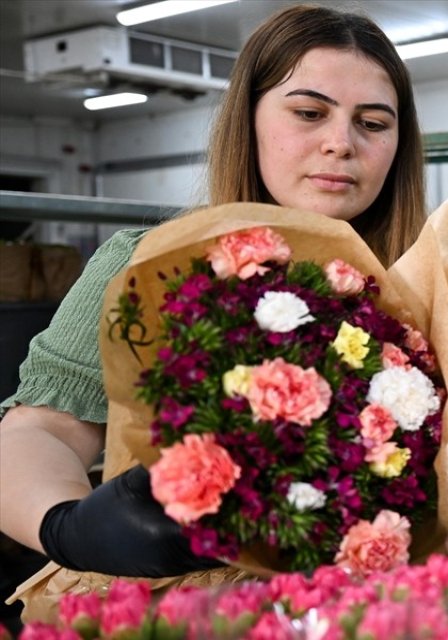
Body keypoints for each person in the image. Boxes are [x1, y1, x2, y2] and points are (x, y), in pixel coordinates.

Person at [0, 4, 425, 621]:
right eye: (309, 113)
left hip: (395, 607)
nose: (341, 142)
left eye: (373, 122)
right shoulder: (148, 266)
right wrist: (69, 526)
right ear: (247, 119)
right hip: (196, 610)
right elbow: (41, 430)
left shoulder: (435, 282)